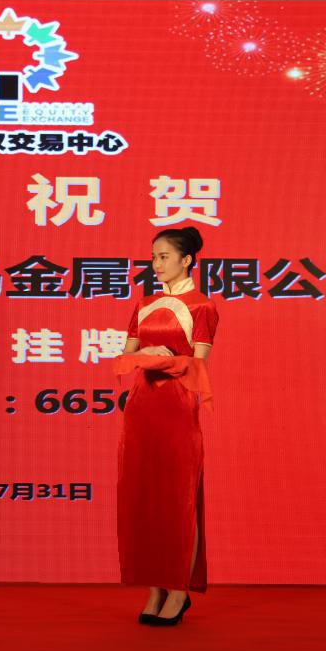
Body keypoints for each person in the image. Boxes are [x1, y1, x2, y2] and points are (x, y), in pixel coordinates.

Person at [117, 226, 219, 627]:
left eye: (163, 257)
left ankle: (178, 589)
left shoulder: (202, 307)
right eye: (153, 257)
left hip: (177, 407)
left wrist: (159, 356)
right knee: (144, 500)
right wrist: (147, 352)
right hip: (141, 407)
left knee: (178, 498)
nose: (156, 264)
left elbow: (198, 366)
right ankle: (154, 587)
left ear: (186, 260)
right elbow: (123, 359)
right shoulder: (144, 304)